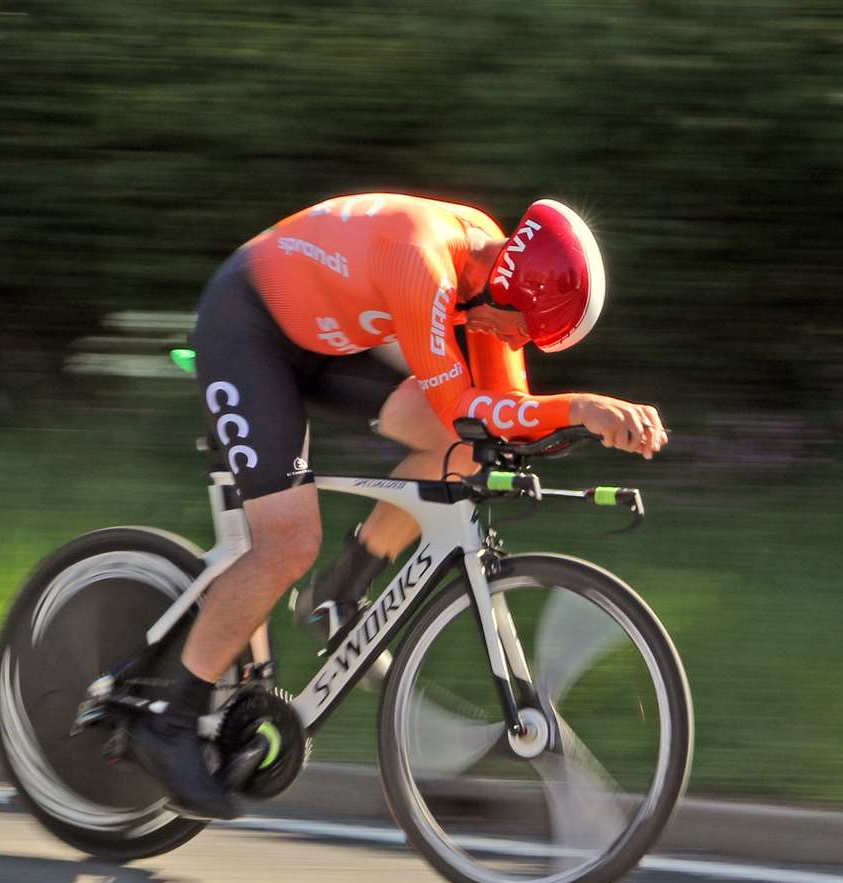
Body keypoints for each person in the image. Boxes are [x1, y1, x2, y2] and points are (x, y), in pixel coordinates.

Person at [128, 193, 668, 820]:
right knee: (288, 541)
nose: (518, 340)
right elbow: (466, 407)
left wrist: (572, 422)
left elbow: (500, 412)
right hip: (249, 325)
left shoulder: (491, 267)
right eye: (522, 327)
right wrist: (579, 408)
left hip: (326, 337)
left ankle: (341, 589)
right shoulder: (421, 260)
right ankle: (169, 719)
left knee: (460, 452)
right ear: (506, 285)